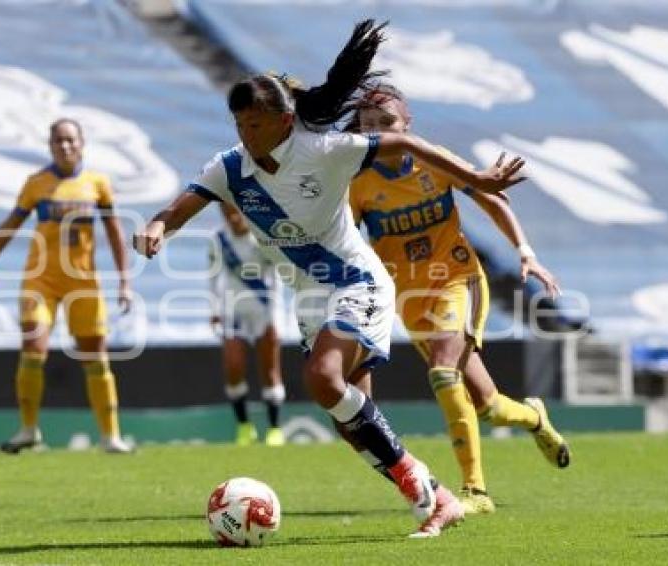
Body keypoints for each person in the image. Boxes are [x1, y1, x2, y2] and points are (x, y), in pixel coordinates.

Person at [134, 20, 526, 537]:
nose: (245, 136)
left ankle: (435, 493)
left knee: (321, 379)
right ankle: (434, 496)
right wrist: (158, 225)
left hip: (356, 282)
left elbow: (401, 140)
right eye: (239, 126)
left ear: (284, 119)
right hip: (310, 298)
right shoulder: (229, 169)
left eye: (255, 125)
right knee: (347, 419)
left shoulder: (324, 150)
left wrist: (476, 179)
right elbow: (178, 208)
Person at [347, 83, 570, 514]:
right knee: (489, 407)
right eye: (369, 126)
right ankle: (535, 418)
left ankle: (476, 492)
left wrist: (526, 253)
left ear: (407, 125)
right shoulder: (357, 182)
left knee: (443, 372)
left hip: (456, 278)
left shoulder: (434, 159)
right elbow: (345, 239)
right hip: (408, 297)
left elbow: (491, 199)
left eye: (388, 123)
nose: (380, 133)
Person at [0, 118, 135, 454]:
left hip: (83, 282)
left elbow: (114, 233)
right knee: (33, 348)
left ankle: (111, 436)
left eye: (71, 140)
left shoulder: (97, 183)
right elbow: (8, 229)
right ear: (50, 146)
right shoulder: (36, 184)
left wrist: (124, 280)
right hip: (40, 279)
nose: (65, 146)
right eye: (58, 141)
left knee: (95, 357)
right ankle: (28, 430)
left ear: (82, 143)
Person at [209, 202, 286, 446]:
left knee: (269, 370)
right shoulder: (218, 240)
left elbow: (278, 275)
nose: (233, 217)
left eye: (236, 210)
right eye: (226, 212)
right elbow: (213, 278)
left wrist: (276, 315)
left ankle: (274, 429)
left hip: (264, 310)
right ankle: (244, 426)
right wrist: (214, 309)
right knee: (233, 366)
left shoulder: (262, 236)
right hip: (233, 310)